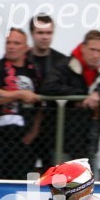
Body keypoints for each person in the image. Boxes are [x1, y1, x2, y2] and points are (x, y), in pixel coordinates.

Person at [42, 29, 100, 177]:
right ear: (83, 48)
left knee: (91, 186)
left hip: (90, 141)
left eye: (99, 51)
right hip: (62, 141)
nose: (96, 55)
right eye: (92, 50)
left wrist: (99, 93)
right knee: (62, 187)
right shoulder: (64, 65)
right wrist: (80, 96)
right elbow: (48, 87)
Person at [0, 28, 42, 179]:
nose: (11, 46)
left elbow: (40, 105)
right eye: (8, 42)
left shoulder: (34, 71)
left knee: (20, 184)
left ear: (26, 48)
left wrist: (34, 132)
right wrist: (20, 94)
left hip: (23, 140)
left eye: (16, 43)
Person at [28, 15, 67, 170]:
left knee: (54, 174)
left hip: (54, 128)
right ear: (32, 34)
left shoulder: (62, 61)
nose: (45, 37)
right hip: (26, 127)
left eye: (49, 33)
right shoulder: (22, 58)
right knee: (26, 173)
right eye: (40, 33)